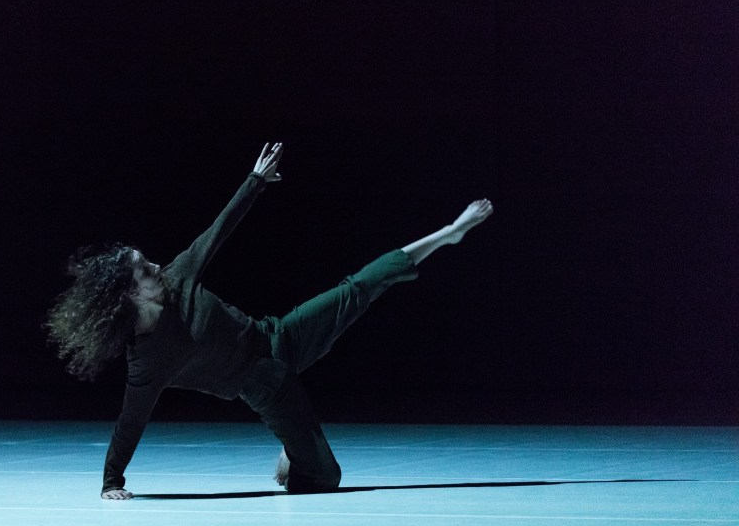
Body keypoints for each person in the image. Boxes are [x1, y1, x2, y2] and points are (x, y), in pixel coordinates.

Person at [45, 143, 493, 499]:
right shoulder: (147, 359)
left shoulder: (178, 277)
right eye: (146, 269)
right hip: (265, 387)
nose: (157, 266)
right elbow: (131, 420)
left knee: (356, 289)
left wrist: (255, 180)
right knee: (326, 478)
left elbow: (218, 230)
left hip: (279, 334)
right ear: (130, 293)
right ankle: (294, 458)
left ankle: (447, 234)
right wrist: (112, 481)